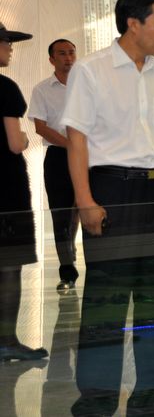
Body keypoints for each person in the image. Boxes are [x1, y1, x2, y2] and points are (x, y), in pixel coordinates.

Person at [62, 0, 154, 416]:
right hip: (111, 191)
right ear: (133, 23)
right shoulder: (91, 70)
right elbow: (77, 140)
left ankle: (149, 396)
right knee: (107, 298)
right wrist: (85, 200)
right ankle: (96, 400)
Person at [0, 22, 49, 363]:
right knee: (8, 266)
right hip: (5, 192)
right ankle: (6, 341)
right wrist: (23, 138)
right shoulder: (4, 88)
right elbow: (15, 143)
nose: (10, 48)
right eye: (6, 42)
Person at [28, 39, 80, 291]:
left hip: (89, 156)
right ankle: (67, 272)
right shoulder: (42, 89)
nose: (68, 58)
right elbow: (40, 127)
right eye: (62, 53)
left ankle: (73, 250)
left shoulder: (87, 85)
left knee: (83, 209)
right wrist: (71, 145)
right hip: (58, 157)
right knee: (61, 214)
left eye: (71, 53)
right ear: (51, 59)